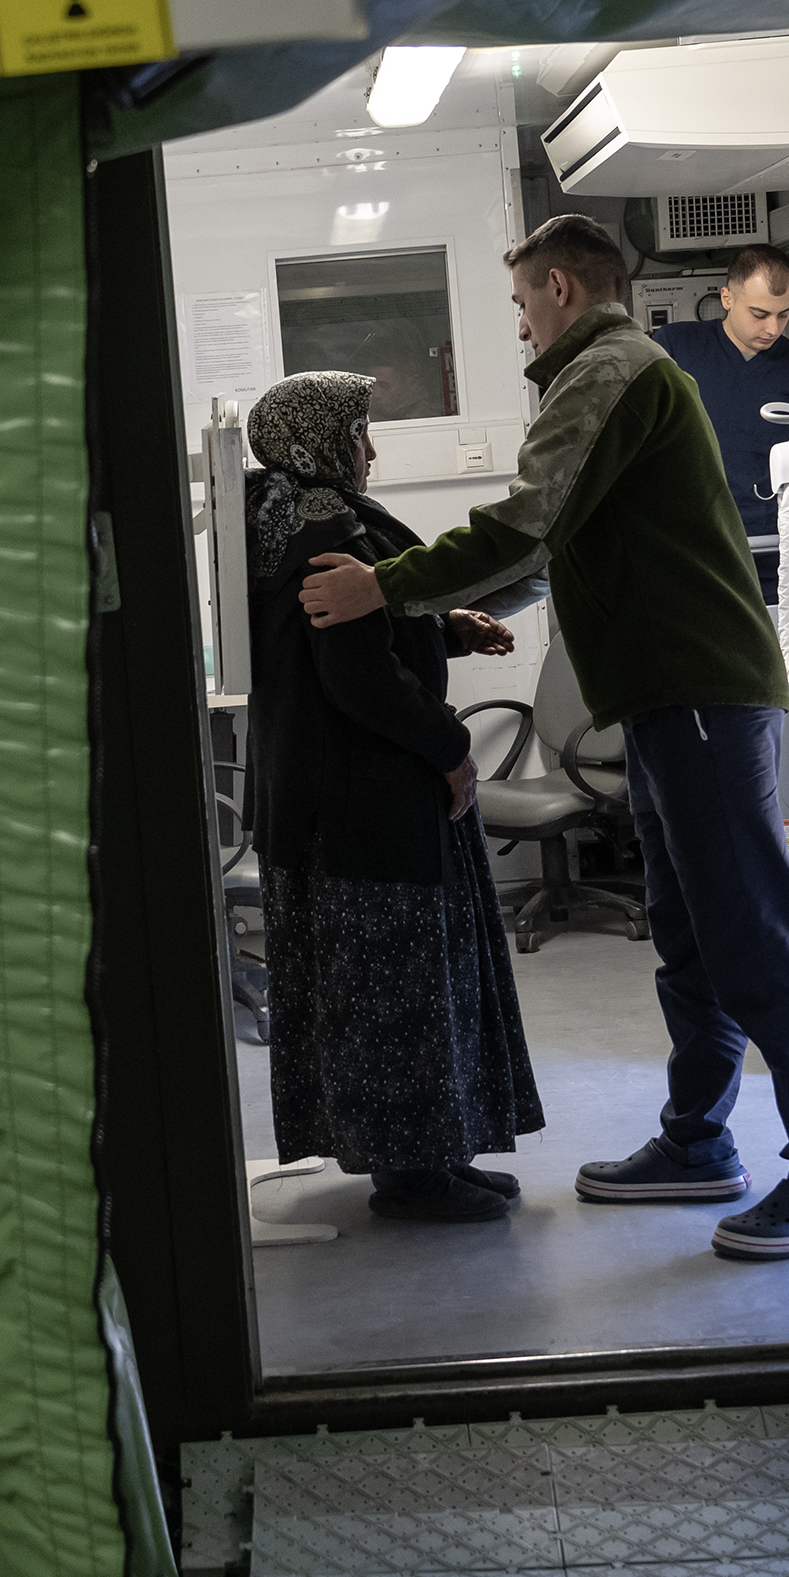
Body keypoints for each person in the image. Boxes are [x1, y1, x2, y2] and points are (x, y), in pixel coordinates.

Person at [296, 214, 789, 1263]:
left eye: (520, 303)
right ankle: (698, 1142)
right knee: (690, 932)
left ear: (559, 285)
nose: (518, 324)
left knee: (752, 933)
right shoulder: (605, 373)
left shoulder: (608, 369)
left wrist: (382, 584)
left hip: (698, 688)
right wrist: (450, 615)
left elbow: (525, 519)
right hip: (662, 693)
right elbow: (560, 548)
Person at [237, 373, 544, 1225]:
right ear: (320, 436)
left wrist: (445, 628)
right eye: (361, 432)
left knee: (385, 983)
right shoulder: (320, 525)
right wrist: (452, 751)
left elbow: (354, 628)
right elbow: (356, 674)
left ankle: (430, 1155)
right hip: (362, 804)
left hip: (327, 805)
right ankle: (414, 1175)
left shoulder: (283, 515)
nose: (370, 450)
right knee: (396, 987)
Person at [654, 242, 789, 595]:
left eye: (784, 314)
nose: (773, 328)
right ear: (727, 298)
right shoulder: (674, 348)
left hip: (772, 554)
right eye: (759, 313)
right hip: (691, 551)